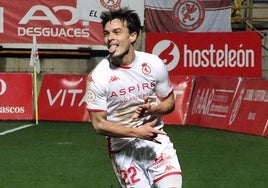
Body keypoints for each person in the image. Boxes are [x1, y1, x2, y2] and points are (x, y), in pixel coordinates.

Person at [85, 7, 182, 188]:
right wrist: (137, 132)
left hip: (156, 143)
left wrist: (155, 108)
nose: (110, 38)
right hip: (123, 150)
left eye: (117, 32)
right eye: (106, 33)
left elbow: (169, 102)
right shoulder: (98, 77)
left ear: (133, 36)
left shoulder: (153, 64)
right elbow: (98, 124)